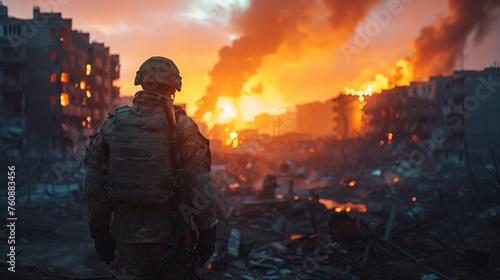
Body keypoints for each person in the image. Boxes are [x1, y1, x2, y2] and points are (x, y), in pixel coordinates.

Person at [82, 56, 217, 279]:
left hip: (127, 239)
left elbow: (92, 180)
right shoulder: (183, 126)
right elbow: (200, 182)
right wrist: (207, 230)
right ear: (174, 86)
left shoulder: (113, 124)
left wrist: (99, 229)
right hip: (171, 241)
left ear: (141, 82)